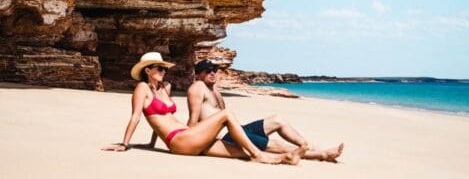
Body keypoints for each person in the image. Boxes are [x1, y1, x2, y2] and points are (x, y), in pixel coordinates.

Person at [102, 52, 306, 165]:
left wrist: (151, 142)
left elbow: (162, 118)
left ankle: (285, 157)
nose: (164, 72)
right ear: (147, 70)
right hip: (179, 142)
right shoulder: (142, 88)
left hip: (189, 136)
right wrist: (124, 144)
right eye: (159, 69)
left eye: (165, 68)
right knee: (226, 115)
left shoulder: (166, 87)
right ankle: (259, 155)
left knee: (239, 151)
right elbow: (137, 116)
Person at [186, 59, 344, 162]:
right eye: (207, 71)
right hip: (227, 137)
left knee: (277, 120)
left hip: (237, 130)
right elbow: (193, 121)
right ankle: (322, 155)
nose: (212, 73)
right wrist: (192, 143)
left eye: (214, 69)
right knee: (275, 144)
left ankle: (312, 147)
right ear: (198, 74)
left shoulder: (214, 90)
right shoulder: (197, 88)